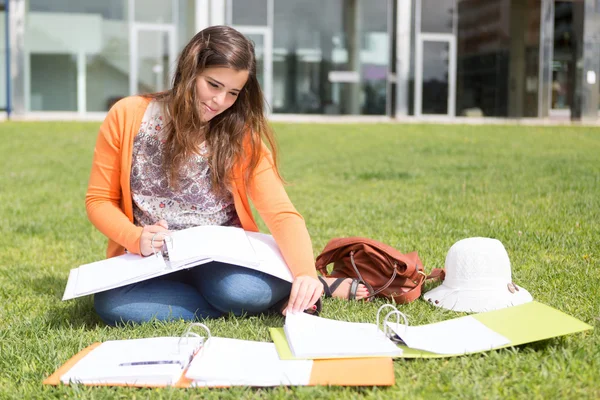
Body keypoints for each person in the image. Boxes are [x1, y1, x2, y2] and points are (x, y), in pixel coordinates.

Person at [86, 25, 368, 326]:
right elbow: (99, 200)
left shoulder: (239, 134)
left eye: (233, 92)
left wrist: (304, 273)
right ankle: (264, 299)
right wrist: (135, 237)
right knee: (112, 304)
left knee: (242, 293)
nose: (220, 101)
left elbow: (281, 213)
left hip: (221, 256)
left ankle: (294, 289)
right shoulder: (128, 115)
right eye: (213, 85)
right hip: (152, 255)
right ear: (189, 70)